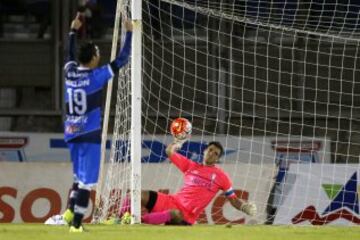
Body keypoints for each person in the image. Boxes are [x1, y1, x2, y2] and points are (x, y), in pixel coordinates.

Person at [62, 13, 132, 232]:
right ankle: (76, 225)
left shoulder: (69, 72)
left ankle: (69, 213)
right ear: (92, 57)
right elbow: (122, 59)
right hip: (89, 133)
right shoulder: (97, 76)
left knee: (77, 176)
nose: (99, 57)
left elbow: (69, 54)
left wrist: (73, 31)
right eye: (98, 53)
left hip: (71, 132)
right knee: (87, 182)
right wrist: (129, 33)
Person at [120, 141, 257, 225]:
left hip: (186, 215)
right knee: (137, 195)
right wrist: (177, 141)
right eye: (210, 150)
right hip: (171, 201)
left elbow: (233, 200)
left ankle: (138, 220)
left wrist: (245, 207)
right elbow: (169, 151)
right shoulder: (190, 166)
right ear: (204, 151)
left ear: (218, 158)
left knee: (175, 214)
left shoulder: (222, 177)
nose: (211, 154)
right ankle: (120, 218)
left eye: (216, 153)